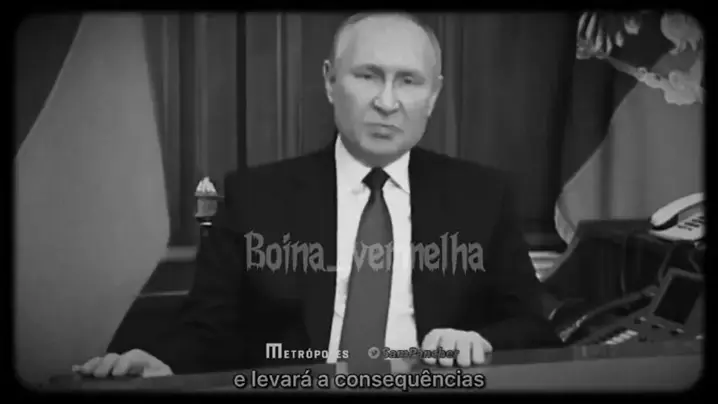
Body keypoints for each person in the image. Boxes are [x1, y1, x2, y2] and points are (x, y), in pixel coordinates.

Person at [74, 11, 561, 379]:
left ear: (433, 95)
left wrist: (477, 340)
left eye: (409, 81)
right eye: (367, 75)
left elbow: (531, 326)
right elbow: (207, 329)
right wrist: (161, 362)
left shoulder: (483, 196)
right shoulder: (256, 196)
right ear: (330, 81)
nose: (386, 101)